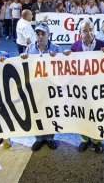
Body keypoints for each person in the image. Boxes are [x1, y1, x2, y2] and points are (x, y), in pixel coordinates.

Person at [63, 20, 104, 153]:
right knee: (82, 114)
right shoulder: (75, 46)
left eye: (91, 30)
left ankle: (96, 140)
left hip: (97, 89)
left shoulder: (102, 45)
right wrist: (65, 55)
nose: (88, 33)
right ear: (80, 33)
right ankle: (84, 139)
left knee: (96, 114)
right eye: (85, 30)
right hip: (81, 89)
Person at [20, 23, 62, 151]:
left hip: (50, 88)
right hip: (35, 87)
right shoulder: (29, 48)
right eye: (37, 33)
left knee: (50, 113)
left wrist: (59, 58)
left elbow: (63, 68)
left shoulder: (56, 48)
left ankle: (49, 137)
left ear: (48, 35)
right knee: (36, 113)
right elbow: (23, 68)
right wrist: (22, 58)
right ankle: (39, 138)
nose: (40, 36)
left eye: (43, 33)